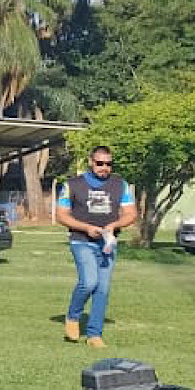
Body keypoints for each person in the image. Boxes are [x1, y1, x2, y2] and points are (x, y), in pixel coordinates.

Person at [55, 145, 137, 348]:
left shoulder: (121, 185)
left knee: (102, 289)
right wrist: (86, 228)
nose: (104, 168)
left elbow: (130, 213)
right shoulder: (73, 185)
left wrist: (114, 225)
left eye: (108, 164)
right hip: (81, 240)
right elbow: (61, 215)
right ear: (91, 163)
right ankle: (73, 317)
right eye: (100, 163)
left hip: (107, 243)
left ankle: (94, 334)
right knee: (89, 282)